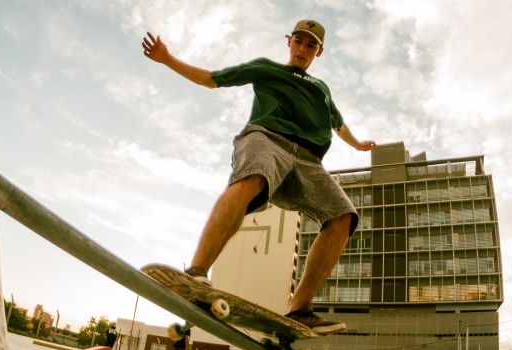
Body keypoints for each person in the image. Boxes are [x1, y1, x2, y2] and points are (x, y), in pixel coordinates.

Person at [141, 19, 375, 331]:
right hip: (266, 139)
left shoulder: (321, 89)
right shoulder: (267, 68)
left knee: (343, 216)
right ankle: (197, 272)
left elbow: (338, 123)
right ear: (288, 42)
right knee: (253, 177)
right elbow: (212, 79)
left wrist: (357, 144)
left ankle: (299, 308)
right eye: (299, 42)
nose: (303, 49)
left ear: (319, 52)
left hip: (308, 161)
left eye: (311, 45)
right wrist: (167, 59)